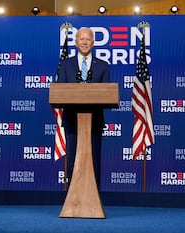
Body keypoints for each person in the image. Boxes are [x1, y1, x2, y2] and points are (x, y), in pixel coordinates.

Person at [56, 27, 110, 188]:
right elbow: (60, 91)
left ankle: (94, 200)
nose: (85, 42)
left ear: (93, 43)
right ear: (76, 42)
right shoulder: (66, 64)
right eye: (82, 39)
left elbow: (107, 93)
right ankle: (72, 200)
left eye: (88, 39)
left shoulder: (102, 65)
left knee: (94, 160)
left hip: (94, 122)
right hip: (72, 121)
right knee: (73, 160)